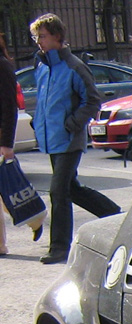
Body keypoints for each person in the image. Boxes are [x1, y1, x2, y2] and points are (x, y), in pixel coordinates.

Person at [29, 13, 119, 265]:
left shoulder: (74, 67)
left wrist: (73, 123)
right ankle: (115, 215)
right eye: (36, 37)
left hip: (69, 139)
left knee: (58, 191)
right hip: (52, 139)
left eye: (43, 36)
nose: (39, 42)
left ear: (58, 37)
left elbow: (92, 99)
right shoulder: (42, 66)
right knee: (72, 189)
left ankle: (59, 247)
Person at [0, 33, 44, 254]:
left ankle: (35, 217)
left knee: (10, 188)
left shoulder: (3, 67)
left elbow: (9, 108)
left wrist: (7, 143)